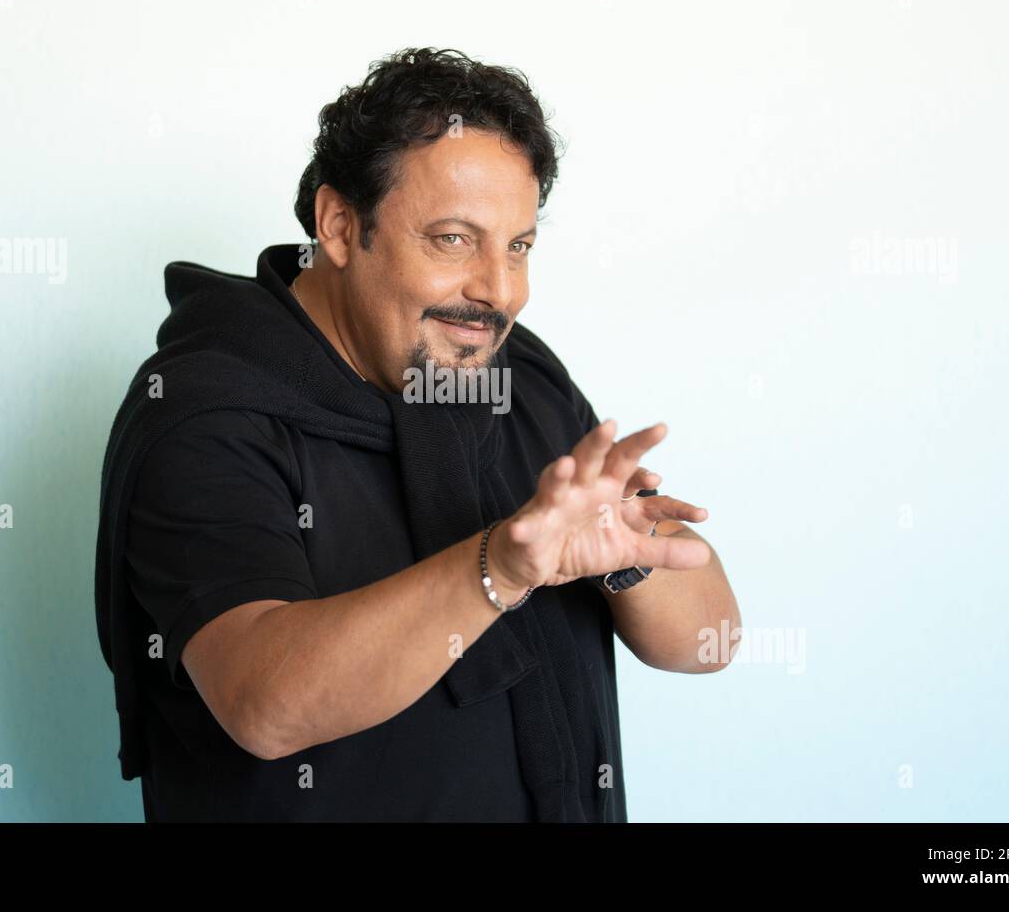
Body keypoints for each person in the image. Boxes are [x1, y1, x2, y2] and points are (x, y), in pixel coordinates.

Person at [94, 47, 741, 822]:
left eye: (519, 246)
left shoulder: (515, 374)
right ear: (339, 225)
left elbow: (711, 638)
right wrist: (499, 567)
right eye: (453, 240)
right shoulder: (207, 417)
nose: (498, 293)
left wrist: (622, 561)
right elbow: (265, 705)